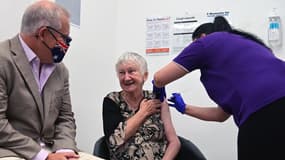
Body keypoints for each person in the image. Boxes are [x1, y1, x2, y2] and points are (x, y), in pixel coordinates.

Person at [153, 16, 285, 160]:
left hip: (264, 114)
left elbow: (160, 78)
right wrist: (185, 108)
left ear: (201, 37)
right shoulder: (250, 44)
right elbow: (220, 115)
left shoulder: (206, 42)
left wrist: (157, 87)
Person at [0, 1, 101, 160]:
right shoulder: (3, 59)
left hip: (53, 149)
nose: (65, 46)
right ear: (43, 33)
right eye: (64, 39)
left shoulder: (60, 70)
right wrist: (43, 157)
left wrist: (64, 149)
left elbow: (65, 117)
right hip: (11, 151)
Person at [103, 52, 180, 160]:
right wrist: (143, 112)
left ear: (145, 75)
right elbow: (114, 141)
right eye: (121, 73)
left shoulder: (157, 99)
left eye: (131, 71)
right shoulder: (112, 100)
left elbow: (174, 142)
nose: (126, 77)